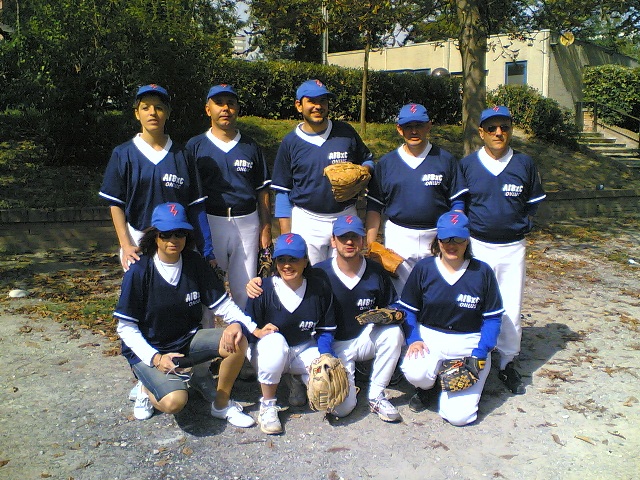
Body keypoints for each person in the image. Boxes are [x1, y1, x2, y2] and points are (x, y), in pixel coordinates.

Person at [114, 202, 254, 428]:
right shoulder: (139, 271)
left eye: (179, 233)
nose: (173, 239)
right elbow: (125, 328)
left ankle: (221, 405)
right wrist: (156, 359)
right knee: (175, 402)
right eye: (166, 234)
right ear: (155, 236)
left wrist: (241, 324)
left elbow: (223, 305)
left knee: (238, 341)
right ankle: (146, 386)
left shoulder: (194, 263)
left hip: (186, 341)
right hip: (150, 350)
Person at [458, 106, 546, 394]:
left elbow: (532, 203)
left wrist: (516, 223)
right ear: (481, 132)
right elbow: (461, 204)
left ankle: (508, 361)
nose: (499, 133)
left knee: (511, 305)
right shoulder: (469, 165)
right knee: (474, 303)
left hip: (512, 246)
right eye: (492, 128)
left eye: (504, 127)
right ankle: (471, 357)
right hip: (478, 245)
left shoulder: (524, 163)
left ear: (510, 130)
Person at [399, 211, 504, 426]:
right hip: (431, 336)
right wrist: (414, 339)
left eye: (458, 239)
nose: (451, 244)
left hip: (468, 342)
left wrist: (481, 352)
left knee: (459, 418)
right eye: (446, 239)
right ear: (438, 240)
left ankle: (468, 381)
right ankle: (428, 387)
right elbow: (408, 310)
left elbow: (493, 319)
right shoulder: (424, 268)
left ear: (467, 240)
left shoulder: (481, 272)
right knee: (415, 372)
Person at [99, 84, 215, 271]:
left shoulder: (183, 155)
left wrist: (206, 250)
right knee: (140, 297)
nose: (152, 113)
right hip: (136, 239)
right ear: (137, 113)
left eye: (159, 108)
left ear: (168, 113)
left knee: (175, 295)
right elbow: (116, 204)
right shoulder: (123, 154)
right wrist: (126, 244)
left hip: (175, 241)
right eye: (146, 107)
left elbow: (196, 207)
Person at [242, 233, 341, 434]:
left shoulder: (318, 288)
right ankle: (268, 405)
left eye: (293, 259)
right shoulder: (263, 288)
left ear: (305, 261)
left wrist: (325, 356)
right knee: (275, 342)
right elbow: (246, 327)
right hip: (266, 352)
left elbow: (325, 329)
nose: (287, 265)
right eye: (282, 260)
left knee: (334, 392)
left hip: (302, 348)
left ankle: (295, 380)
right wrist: (259, 332)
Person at [185, 84, 272, 310]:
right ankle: (207, 341)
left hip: (247, 222)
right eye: (219, 103)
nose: (225, 108)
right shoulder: (195, 146)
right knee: (208, 288)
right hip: (211, 222)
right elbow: (188, 194)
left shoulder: (250, 146)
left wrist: (265, 228)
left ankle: (246, 339)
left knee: (246, 288)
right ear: (208, 109)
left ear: (237, 109)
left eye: (230, 103)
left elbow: (262, 191)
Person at [271, 79, 374, 266]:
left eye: (323, 101)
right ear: (298, 105)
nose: (318, 106)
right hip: (307, 219)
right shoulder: (291, 142)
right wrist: (288, 236)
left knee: (345, 276)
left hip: (345, 215)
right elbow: (282, 191)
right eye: (311, 101)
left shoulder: (345, 132)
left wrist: (363, 171)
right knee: (312, 278)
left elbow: (367, 159)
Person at [365, 103, 467, 292]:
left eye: (419, 125)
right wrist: (371, 244)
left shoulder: (445, 160)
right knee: (400, 295)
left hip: (437, 235)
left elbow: (457, 202)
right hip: (399, 235)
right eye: (408, 126)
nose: (413, 131)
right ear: (399, 129)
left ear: (429, 126)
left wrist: (453, 235)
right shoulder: (387, 163)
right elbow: (374, 206)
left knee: (437, 292)